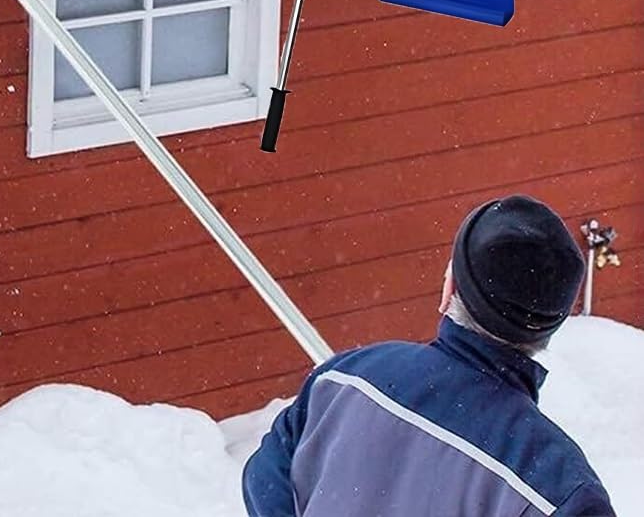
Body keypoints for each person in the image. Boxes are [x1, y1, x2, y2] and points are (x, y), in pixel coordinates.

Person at [242, 195, 613, 516]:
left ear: (449, 287)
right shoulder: (556, 486)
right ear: (548, 329)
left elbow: (265, 480)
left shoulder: (345, 379)